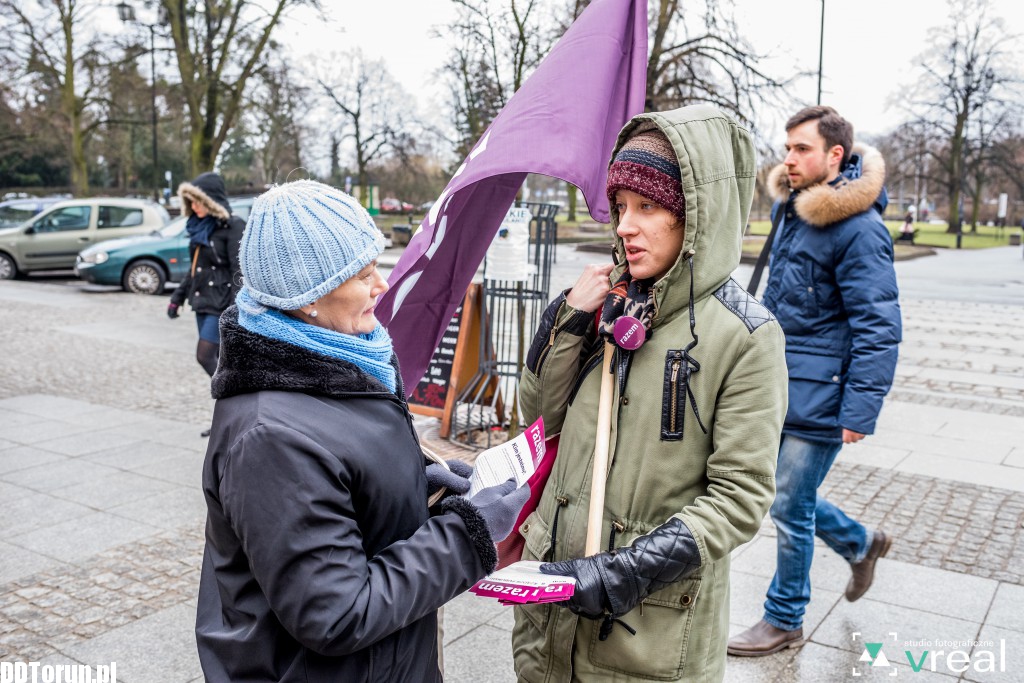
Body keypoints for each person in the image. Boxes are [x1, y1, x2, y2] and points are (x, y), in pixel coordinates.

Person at [195, 180, 529, 682]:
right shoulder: (270, 437)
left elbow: (345, 481)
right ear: (306, 296)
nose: (382, 286)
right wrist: (468, 535)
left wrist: (420, 487)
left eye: (376, 266)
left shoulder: (340, 355)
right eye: (361, 275)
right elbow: (335, 613)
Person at [511, 105, 788, 682]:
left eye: (648, 207)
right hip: (550, 622)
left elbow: (740, 498)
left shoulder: (746, 337)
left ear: (696, 217)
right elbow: (539, 423)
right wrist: (563, 326)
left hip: (647, 637)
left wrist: (628, 571)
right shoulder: (607, 304)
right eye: (619, 207)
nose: (624, 227)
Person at [728, 106, 902, 657]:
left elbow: (879, 323)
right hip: (781, 383)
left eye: (802, 148)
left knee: (786, 502)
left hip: (824, 392)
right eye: (787, 148)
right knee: (782, 496)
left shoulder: (859, 228)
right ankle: (860, 542)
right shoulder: (796, 213)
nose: (789, 158)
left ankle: (784, 618)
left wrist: (859, 409)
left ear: (835, 155)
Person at [167, 172, 245, 436]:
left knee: (205, 356)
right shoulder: (199, 228)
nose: (194, 207)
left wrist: (237, 310)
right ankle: (228, 419)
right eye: (190, 202)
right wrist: (177, 298)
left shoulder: (232, 226)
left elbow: (239, 271)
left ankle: (237, 411)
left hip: (222, 304)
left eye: (198, 201)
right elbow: (195, 270)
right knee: (222, 364)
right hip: (201, 302)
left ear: (211, 201)